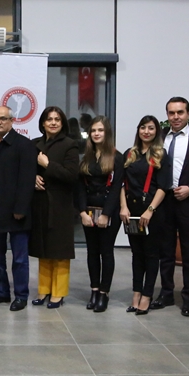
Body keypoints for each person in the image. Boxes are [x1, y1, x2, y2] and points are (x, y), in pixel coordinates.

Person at [155, 96, 189, 316]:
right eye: (171, 113)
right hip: (164, 201)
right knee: (165, 251)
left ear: (188, 114)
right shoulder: (159, 137)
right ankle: (166, 293)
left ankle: (188, 298)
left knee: (188, 252)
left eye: (180, 112)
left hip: (188, 202)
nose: (175, 117)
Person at [0, 105, 36, 312]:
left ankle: (21, 295)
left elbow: (27, 179)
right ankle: (1, 292)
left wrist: (21, 208)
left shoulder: (24, 145)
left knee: (20, 258)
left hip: (16, 212)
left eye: (3, 118)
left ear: (12, 121)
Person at [30, 107, 80, 309]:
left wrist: (47, 164)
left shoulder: (70, 145)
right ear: (42, 123)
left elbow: (71, 175)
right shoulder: (35, 144)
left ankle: (58, 293)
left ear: (62, 123)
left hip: (60, 205)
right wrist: (33, 178)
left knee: (59, 251)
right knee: (43, 249)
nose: (53, 122)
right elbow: (27, 170)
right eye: (49, 119)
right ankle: (43, 290)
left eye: (57, 119)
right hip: (40, 203)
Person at [119, 115, 170, 314]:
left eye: (150, 128)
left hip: (152, 212)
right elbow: (122, 184)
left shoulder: (160, 154)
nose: (146, 132)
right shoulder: (129, 154)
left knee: (151, 254)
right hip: (131, 212)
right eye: (143, 127)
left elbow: (163, 186)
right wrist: (123, 207)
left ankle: (147, 296)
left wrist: (150, 210)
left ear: (156, 132)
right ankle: (136, 294)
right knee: (136, 254)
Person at [78, 116, 124, 312]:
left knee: (106, 251)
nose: (96, 134)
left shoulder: (116, 157)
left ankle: (104, 293)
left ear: (107, 133)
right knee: (92, 252)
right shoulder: (86, 157)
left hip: (109, 212)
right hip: (89, 210)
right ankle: (94, 290)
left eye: (100, 130)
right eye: (93, 130)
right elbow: (80, 187)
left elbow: (116, 188)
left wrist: (106, 214)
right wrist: (82, 212)